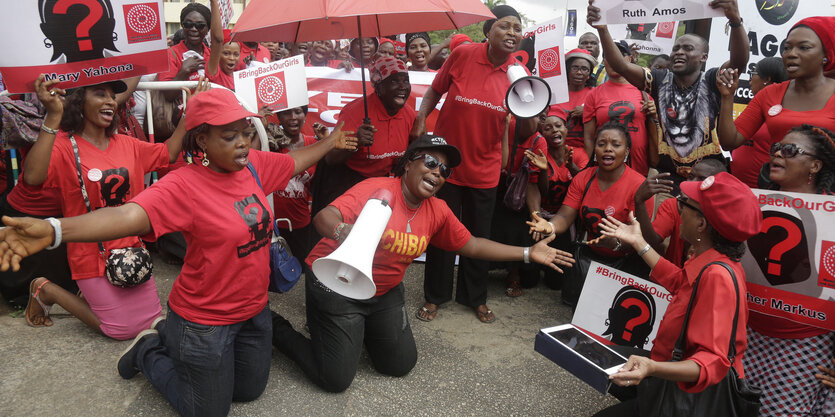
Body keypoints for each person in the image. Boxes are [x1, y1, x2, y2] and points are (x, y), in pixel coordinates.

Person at [0, 88, 357, 417]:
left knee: (248, 392)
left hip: (254, 313)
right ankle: (148, 351)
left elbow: (293, 162)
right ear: (202, 139)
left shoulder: (253, 166)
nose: (243, 144)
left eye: (246, 132)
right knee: (208, 411)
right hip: (205, 322)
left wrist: (330, 143)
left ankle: (171, 339)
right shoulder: (184, 184)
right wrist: (55, 230)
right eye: (229, 136)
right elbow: (127, 215)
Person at [271, 134, 576, 392]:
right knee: (335, 379)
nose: (437, 172)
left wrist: (526, 253)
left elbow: (471, 244)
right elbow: (325, 216)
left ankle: (353, 330)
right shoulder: (377, 189)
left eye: (445, 170)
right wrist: (345, 232)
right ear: (408, 163)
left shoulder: (437, 210)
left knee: (399, 364)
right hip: (337, 283)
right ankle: (279, 329)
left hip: (382, 292)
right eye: (430, 162)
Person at [18, 75, 185, 339]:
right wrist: (52, 117)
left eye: (112, 95)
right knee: (120, 330)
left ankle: (95, 296)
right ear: (78, 102)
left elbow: (168, 155)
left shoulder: (127, 144)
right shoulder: (63, 146)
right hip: (88, 254)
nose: (110, 101)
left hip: (131, 253)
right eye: (100, 94)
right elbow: (32, 178)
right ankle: (46, 289)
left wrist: (188, 118)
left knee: (151, 323)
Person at [591, 172, 763, 417]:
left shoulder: (717, 276)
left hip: (684, 395)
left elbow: (713, 361)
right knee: (604, 359)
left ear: (702, 224)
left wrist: (652, 367)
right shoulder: (710, 261)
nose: (677, 208)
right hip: (665, 372)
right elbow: (678, 281)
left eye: (684, 204)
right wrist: (639, 243)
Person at [409, 5, 535, 324]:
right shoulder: (463, 54)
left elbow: (530, 127)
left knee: (478, 235)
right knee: (441, 233)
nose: (511, 33)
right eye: (504, 26)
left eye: (517, 29)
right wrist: (422, 118)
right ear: (488, 32)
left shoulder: (519, 74)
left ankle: (474, 297)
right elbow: (434, 90)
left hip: (485, 170)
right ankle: (435, 296)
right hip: (445, 169)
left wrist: (530, 102)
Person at [587, 0, 749, 193]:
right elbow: (621, 66)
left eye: (688, 48)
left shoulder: (713, 79)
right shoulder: (658, 79)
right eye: (676, 49)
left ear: (704, 57)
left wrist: (735, 22)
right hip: (666, 179)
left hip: (707, 176)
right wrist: (603, 29)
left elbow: (738, 62)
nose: (679, 52)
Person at [741, 125, 834, 417]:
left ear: (815, 165)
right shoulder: (751, 205)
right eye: (776, 148)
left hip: (803, 347)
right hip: (748, 335)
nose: (778, 153)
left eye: (790, 150)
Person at [528, 122, 653, 306]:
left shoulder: (640, 186)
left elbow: (644, 237)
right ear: (594, 149)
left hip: (625, 264)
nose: (608, 149)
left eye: (615, 145)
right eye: (601, 144)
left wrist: (618, 243)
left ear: (626, 151)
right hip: (589, 260)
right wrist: (550, 226)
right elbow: (564, 216)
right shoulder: (583, 178)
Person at [717, 16, 835, 187]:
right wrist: (727, 98)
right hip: (778, 193)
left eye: (804, 48)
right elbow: (730, 141)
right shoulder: (770, 94)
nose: (792, 54)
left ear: (826, 55)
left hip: (828, 198)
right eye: (787, 48)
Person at [311, 57, 415, 218]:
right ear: (379, 87)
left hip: (380, 185)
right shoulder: (355, 112)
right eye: (394, 81)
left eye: (406, 81)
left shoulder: (408, 114)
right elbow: (331, 160)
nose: (402, 87)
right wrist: (357, 142)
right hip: (346, 182)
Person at [524, 112, 587, 291]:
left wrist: (571, 167)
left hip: (564, 221)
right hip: (542, 217)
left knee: (556, 284)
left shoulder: (579, 154)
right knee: (529, 281)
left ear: (566, 129)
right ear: (542, 133)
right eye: (548, 128)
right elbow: (542, 191)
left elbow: (586, 186)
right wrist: (544, 170)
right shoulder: (539, 155)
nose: (554, 130)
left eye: (558, 126)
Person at [633, 159, 727, 268]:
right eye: (691, 177)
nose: (692, 183)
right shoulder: (674, 205)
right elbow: (652, 240)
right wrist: (639, 201)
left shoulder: (721, 217)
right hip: (676, 275)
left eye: (701, 179)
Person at [583, 40, 657, 176]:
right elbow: (588, 137)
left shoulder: (644, 92)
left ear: (629, 59)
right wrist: (588, 168)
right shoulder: (593, 94)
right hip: (604, 168)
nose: (613, 59)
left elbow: (655, 132)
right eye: (609, 56)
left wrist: (654, 114)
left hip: (638, 168)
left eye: (620, 54)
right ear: (604, 61)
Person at [716, 57, 787, 187]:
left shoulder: (783, 115)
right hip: (739, 187)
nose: (749, 79)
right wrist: (727, 97)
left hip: (768, 193)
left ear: (767, 80)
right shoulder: (753, 109)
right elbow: (728, 141)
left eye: (753, 74)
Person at [268, 106, 320, 262]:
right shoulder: (270, 144)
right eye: (286, 112)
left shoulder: (314, 144)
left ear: (305, 115)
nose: (292, 117)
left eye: (298, 112)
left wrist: (325, 140)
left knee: (301, 266)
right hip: (272, 224)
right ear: (279, 117)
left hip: (301, 223)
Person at [157, 2, 211, 102]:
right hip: (183, 115)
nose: (194, 29)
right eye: (188, 24)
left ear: (208, 29)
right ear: (182, 26)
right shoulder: (170, 54)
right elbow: (168, 95)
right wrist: (184, 71)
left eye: (200, 25)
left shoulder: (212, 56)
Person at [552, 48, 597, 164]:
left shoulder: (596, 94)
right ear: (568, 70)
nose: (579, 72)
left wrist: (586, 112)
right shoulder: (555, 93)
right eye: (575, 68)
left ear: (589, 75)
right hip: (554, 152)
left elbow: (604, 120)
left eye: (584, 69)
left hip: (583, 154)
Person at [205, 1, 239, 91]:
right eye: (226, 53)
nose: (232, 58)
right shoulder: (214, 73)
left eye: (236, 54)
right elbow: (217, 40)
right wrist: (214, 2)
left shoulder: (240, 77)